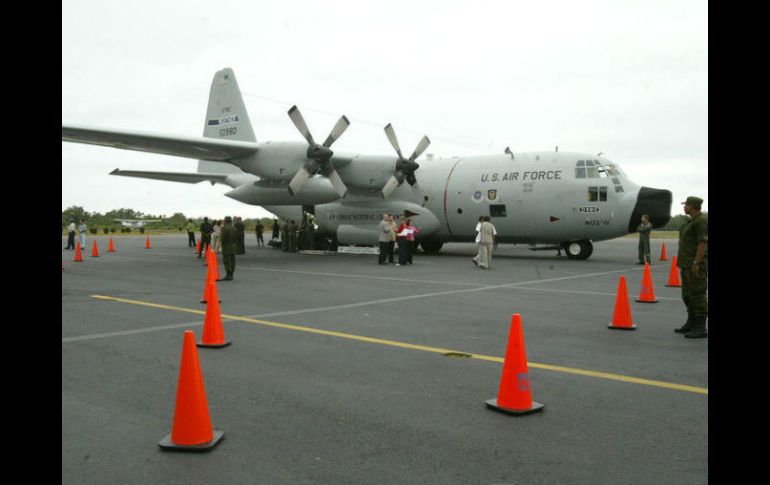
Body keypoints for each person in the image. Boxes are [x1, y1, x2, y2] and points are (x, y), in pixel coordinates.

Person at [675, 196, 708, 338]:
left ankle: (700, 327)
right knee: (687, 295)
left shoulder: (701, 221)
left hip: (695, 265)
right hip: (686, 264)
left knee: (698, 295)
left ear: (693, 206)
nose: (684, 207)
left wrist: (697, 263)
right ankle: (691, 322)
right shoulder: (691, 221)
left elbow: (703, 243)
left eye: (686, 205)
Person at [218, 216, 237, 281]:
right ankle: (231, 274)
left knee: (226, 261)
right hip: (233, 246)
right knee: (232, 261)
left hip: (226, 246)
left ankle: (228, 275)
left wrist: (221, 244)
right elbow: (236, 238)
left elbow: (222, 238)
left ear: (225, 221)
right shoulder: (234, 228)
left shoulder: (225, 228)